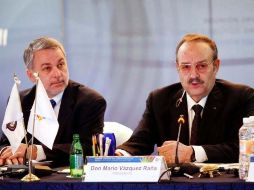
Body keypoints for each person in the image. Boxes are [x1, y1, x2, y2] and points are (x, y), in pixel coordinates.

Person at [117, 33, 254, 164]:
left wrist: (193, 152)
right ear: (177, 67)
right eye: (186, 67)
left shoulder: (241, 97)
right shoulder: (159, 100)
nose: (193, 75)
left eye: (202, 66)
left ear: (216, 66)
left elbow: (246, 148)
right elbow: (139, 142)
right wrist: (118, 156)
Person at [0, 37, 106, 167]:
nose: (57, 74)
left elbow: (90, 149)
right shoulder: (21, 101)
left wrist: (34, 152)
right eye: (47, 68)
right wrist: (8, 153)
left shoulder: (90, 101)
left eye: (61, 65)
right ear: (31, 75)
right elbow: (6, 141)